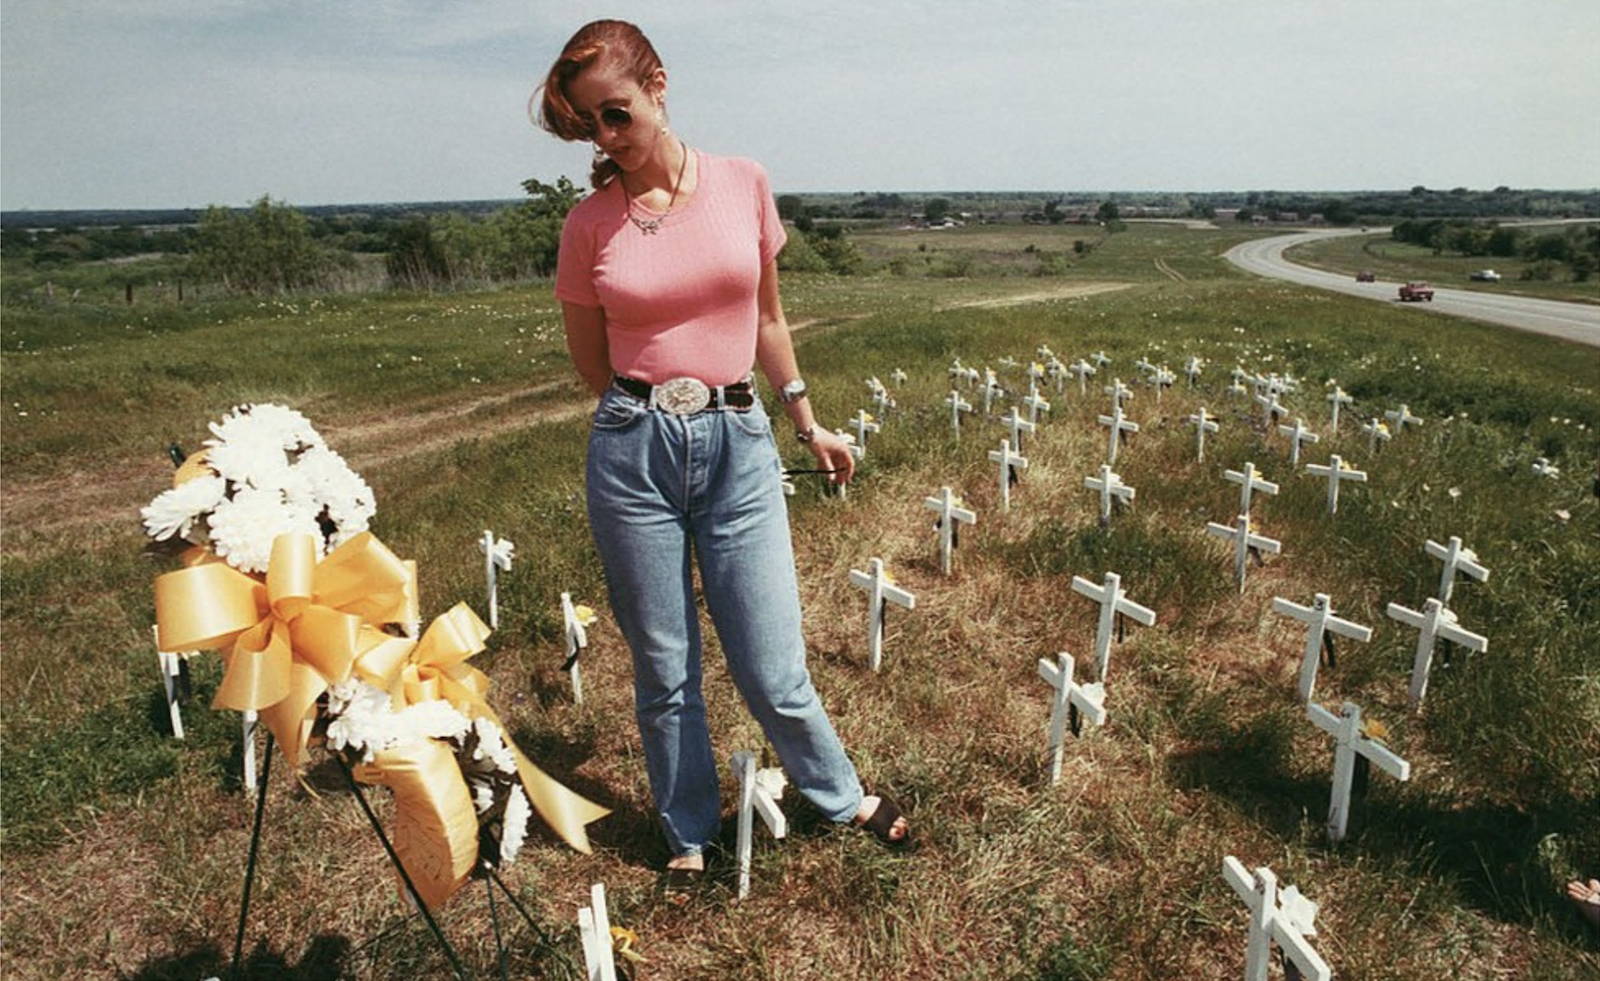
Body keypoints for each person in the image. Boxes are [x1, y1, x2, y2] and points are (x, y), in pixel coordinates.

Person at [535, 19, 908, 891]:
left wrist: (807, 421)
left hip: (740, 442)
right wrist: (651, 413)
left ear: (659, 84)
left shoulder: (744, 183)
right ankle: (689, 830)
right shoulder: (590, 226)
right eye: (591, 125)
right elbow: (593, 361)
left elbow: (769, 319)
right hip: (635, 453)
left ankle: (838, 792)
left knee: (772, 662)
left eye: (617, 114)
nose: (606, 139)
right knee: (665, 665)